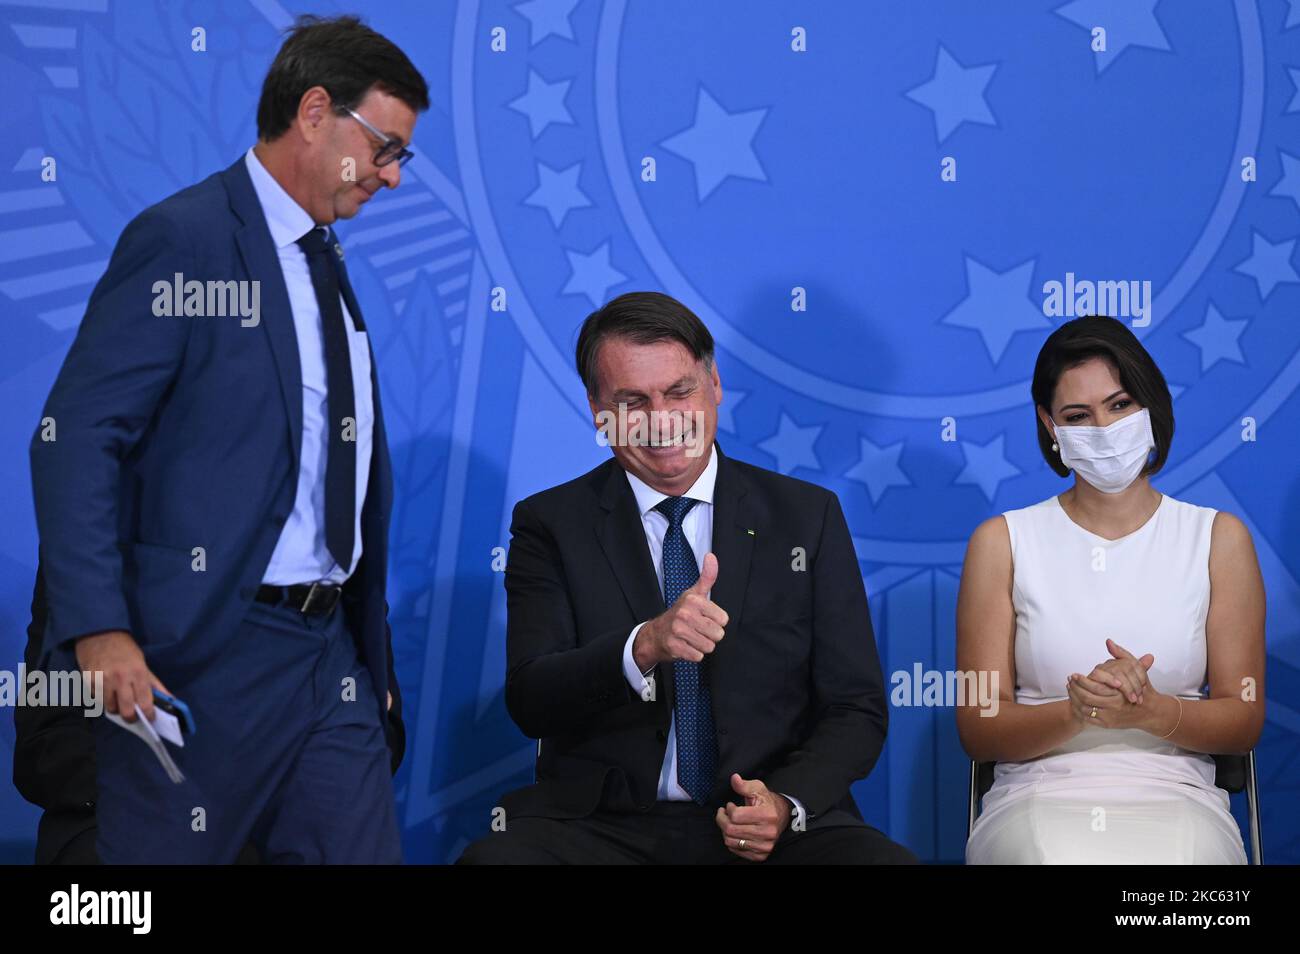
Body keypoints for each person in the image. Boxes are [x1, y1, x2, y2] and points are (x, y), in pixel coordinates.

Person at [27, 14, 428, 863]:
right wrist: (99, 629)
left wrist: (368, 648)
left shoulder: (327, 262)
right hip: (208, 649)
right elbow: (74, 436)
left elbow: (331, 465)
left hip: (328, 659)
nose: (394, 178)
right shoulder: (186, 239)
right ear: (315, 111)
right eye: (387, 148)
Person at [459, 291, 915, 864]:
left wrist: (786, 803)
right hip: (604, 826)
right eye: (633, 402)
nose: (662, 421)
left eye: (680, 392)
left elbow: (856, 707)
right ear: (597, 409)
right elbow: (531, 698)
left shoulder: (805, 516)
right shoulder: (551, 523)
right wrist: (644, 645)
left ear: (715, 385)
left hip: (764, 821)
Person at [957, 315, 1266, 864]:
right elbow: (979, 727)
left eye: (1120, 405)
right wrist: (1079, 712)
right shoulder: (1000, 543)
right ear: (1050, 426)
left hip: (1180, 799)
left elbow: (1242, 720)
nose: (1103, 427)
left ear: (1150, 406)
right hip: (1037, 795)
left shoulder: (1219, 539)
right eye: (1078, 415)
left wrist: (1149, 711)